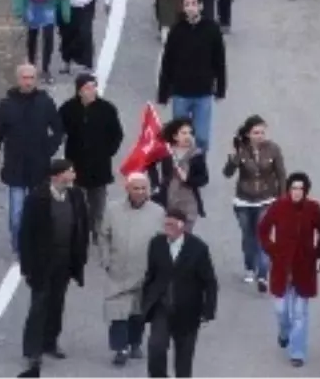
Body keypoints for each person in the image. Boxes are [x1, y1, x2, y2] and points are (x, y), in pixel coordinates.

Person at [18, 155, 91, 376]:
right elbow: (26, 235)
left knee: (57, 302)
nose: (74, 175)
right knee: (39, 304)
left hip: (66, 259)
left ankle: (50, 341)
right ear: (58, 175)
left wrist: (81, 255)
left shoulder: (76, 195)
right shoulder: (37, 198)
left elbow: (83, 224)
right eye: (70, 171)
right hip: (42, 262)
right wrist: (27, 266)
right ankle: (33, 350)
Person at [0, 63, 64, 253]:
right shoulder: (6, 106)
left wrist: (48, 150)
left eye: (31, 78)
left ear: (36, 80)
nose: (28, 82)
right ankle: (20, 248)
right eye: (24, 78)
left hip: (39, 168)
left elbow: (59, 130)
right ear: (18, 80)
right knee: (17, 215)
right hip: (15, 168)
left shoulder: (45, 102)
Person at [140, 207, 218, 379]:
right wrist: (146, 301)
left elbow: (210, 282)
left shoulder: (198, 248)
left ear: (182, 226)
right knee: (156, 347)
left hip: (188, 311)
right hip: (162, 307)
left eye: (171, 224)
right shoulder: (157, 244)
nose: (167, 228)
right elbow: (151, 274)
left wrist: (208, 311)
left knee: (184, 358)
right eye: (165, 224)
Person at [258, 171, 320, 367]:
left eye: (300, 189)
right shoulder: (278, 207)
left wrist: (317, 253)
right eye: (294, 188)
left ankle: (297, 352)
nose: (297, 192)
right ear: (289, 190)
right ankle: (284, 332)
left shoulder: (313, 208)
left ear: (306, 191)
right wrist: (272, 249)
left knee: (300, 312)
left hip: (304, 266)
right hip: (282, 266)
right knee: (281, 309)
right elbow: (263, 230)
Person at [102, 171, 165, 367]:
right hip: (119, 269)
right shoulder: (113, 210)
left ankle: (135, 342)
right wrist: (106, 260)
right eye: (135, 188)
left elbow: (163, 242)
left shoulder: (158, 212)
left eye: (143, 188)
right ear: (127, 189)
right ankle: (120, 348)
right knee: (117, 311)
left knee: (138, 311)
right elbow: (103, 235)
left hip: (144, 271)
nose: (139, 192)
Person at [221, 115, 285, 289]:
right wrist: (232, 159)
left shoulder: (273, 149)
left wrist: (282, 198)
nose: (260, 136)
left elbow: (281, 175)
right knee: (248, 237)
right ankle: (250, 267)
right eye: (256, 132)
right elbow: (227, 173)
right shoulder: (241, 150)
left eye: (262, 132)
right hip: (243, 201)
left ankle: (263, 275)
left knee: (262, 234)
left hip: (267, 198)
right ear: (248, 134)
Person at [157, 0, 226, 154]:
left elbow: (220, 61)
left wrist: (220, 89)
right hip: (180, 92)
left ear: (200, 6)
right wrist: (163, 92)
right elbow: (167, 62)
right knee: (179, 136)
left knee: (201, 137)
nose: (190, 7)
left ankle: (198, 170)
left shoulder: (212, 29)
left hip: (203, 92)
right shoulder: (177, 30)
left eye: (194, 3)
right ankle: (179, 168)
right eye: (187, 4)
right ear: (183, 8)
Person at [58, 73, 124, 236]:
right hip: (76, 161)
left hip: (99, 164)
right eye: (88, 88)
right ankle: (78, 229)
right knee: (76, 199)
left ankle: (96, 230)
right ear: (79, 91)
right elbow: (59, 131)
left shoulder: (107, 109)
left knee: (98, 201)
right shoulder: (68, 109)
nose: (92, 91)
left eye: (94, 86)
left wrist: (108, 151)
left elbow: (117, 134)